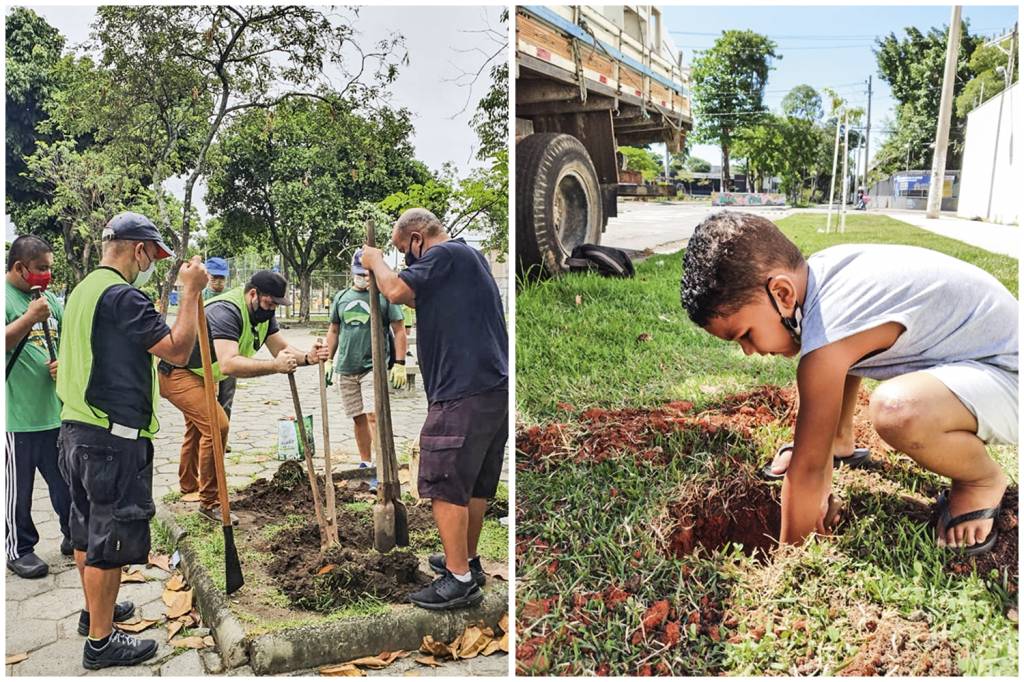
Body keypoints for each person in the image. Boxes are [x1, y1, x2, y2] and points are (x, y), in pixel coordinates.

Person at [679, 211, 1017, 552]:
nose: (749, 351)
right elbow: (846, 358)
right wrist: (826, 446)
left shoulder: (829, 329)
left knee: (898, 410)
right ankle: (840, 440)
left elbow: (807, 470)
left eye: (746, 335)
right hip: (980, 365)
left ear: (782, 293)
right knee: (830, 364)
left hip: (1008, 377)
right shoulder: (825, 278)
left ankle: (980, 481)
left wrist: (791, 552)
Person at [56, 211, 208, 669]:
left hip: (75, 430)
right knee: (109, 539)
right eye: (152, 256)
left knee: (84, 527)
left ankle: (92, 613)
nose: (151, 264)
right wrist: (191, 292)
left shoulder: (83, 290)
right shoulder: (122, 297)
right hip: (110, 438)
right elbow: (177, 350)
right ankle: (101, 643)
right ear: (138, 248)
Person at [361, 208, 508, 610]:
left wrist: (374, 260)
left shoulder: (444, 256)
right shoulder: (469, 258)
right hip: (491, 387)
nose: (406, 261)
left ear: (416, 239)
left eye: (402, 251)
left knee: (443, 478)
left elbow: (396, 292)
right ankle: (469, 562)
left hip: (462, 389)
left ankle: (458, 580)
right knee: (473, 483)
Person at [158, 270, 329, 522]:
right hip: (177, 372)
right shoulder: (227, 312)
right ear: (253, 294)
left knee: (199, 428)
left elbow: (280, 348)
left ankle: (188, 486)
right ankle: (210, 502)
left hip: (203, 373)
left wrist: (307, 357)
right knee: (216, 425)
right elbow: (229, 364)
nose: (272, 309)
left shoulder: (263, 313)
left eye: (277, 305)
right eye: (270, 303)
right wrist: (275, 367)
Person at [5, 235, 72, 579]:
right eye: (40, 269)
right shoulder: (7, 299)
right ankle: (19, 548)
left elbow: (68, 339)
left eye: (49, 269)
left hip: (53, 413)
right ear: (19, 268)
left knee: (65, 482)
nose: (46, 275)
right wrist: (29, 317)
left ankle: (71, 534)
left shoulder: (50, 301)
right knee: (19, 490)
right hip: (16, 417)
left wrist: (66, 363)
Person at [325, 250, 408, 491]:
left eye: (367, 274)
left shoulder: (383, 297)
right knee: (358, 417)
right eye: (359, 274)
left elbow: (400, 330)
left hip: (374, 366)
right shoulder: (341, 297)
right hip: (347, 367)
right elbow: (333, 331)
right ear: (352, 273)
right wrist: (329, 360)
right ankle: (365, 462)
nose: (363, 278)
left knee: (374, 416)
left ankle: (381, 468)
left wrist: (400, 363)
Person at [202, 257, 236, 449]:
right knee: (206, 401)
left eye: (222, 278)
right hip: (204, 358)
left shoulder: (231, 298)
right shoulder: (198, 297)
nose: (218, 282)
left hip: (228, 355)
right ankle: (208, 437)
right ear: (207, 276)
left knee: (227, 398)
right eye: (215, 278)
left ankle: (223, 438)